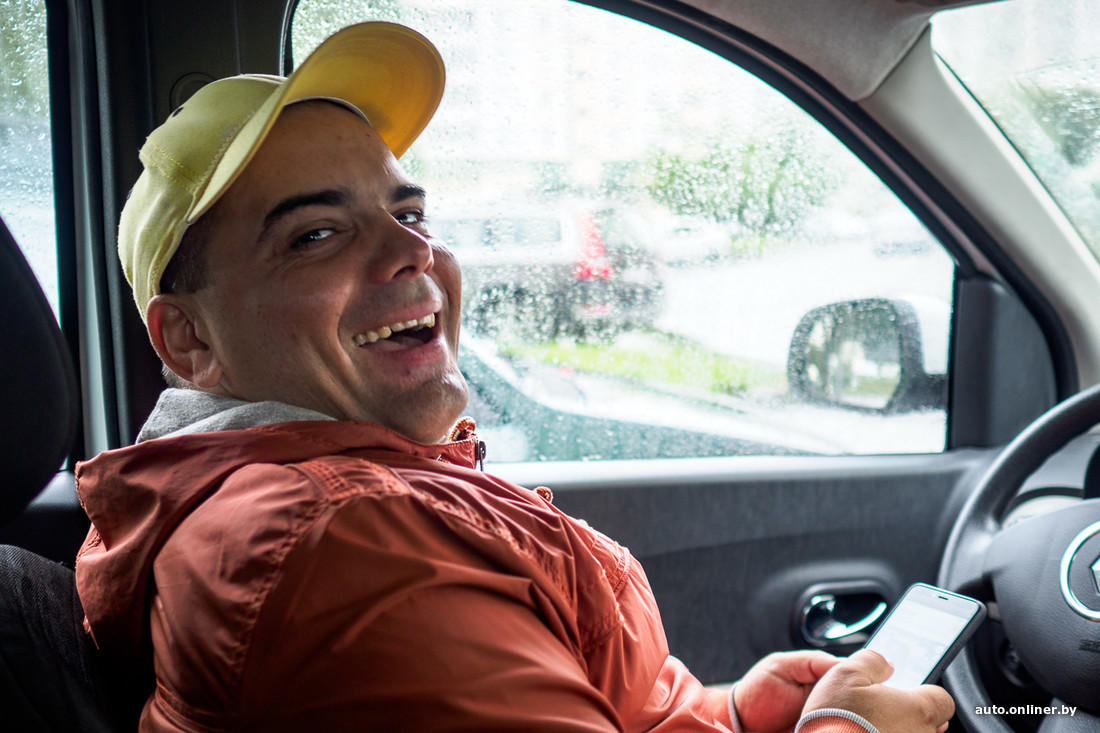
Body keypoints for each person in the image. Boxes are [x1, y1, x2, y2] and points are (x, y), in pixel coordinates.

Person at [75, 21, 955, 733]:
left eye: (409, 210)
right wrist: (849, 727)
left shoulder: (337, 498)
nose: (413, 249)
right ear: (189, 341)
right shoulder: (338, 545)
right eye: (316, 234)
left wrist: (725, 713)